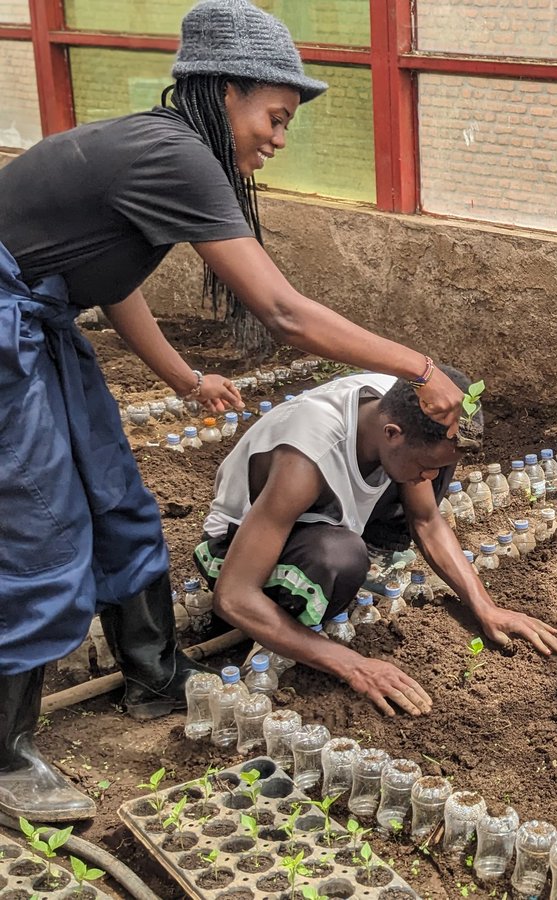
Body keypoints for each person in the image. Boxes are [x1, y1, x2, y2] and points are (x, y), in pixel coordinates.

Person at [0, 0, 465, 822]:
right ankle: (5, 758)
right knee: (39, 524)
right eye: (274, 116)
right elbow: (283, 312)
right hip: (11, 326)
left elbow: (108, 279)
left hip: (43, 317)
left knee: (118, 501)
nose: (279, 138)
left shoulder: (162, 153)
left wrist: (183, 378)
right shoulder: (173, 152)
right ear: (225, 91)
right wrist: (418, 365)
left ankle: (154, 677)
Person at [192, 367, 557, 715]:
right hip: (235, 547)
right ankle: (281, 621)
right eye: (425, 466)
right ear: (392, 434)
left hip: (320, 517)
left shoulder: (409, 408)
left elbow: (426, 520)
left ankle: (346, 561)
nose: (431, 478)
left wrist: (486, 607)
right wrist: (353, 665)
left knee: (420, 470)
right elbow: (233, 596)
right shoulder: (304, 462)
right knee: (341, 558)